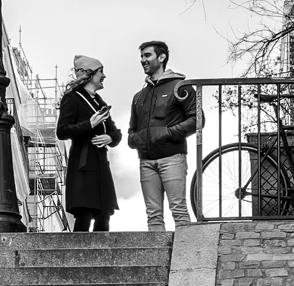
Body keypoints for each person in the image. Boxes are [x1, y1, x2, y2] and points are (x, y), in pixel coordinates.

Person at [127, 40, 202, 231]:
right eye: (141, 56)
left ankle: (187, 258)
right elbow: (131, 131)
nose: (143, 60)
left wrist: (167, 133)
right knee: (153, 214)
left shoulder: (180, 87)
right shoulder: (139, 96)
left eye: (147, 55)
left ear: (161, 57)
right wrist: (137, 140)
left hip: (172, 158)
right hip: (146, 161)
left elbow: (198, 119)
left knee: (178, 210)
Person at [56, 54, 120, 232]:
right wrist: (89, 124)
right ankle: (76, 257)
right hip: (83, 164)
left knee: (104, 213)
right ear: (90, 74)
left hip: (100, 163)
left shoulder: (99, 102)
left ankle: (103, 257)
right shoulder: (72, 98)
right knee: (84, 212)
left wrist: (110, 138)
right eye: (101, 71)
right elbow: (62, 131)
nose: (104, 76)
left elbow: (115, 132)